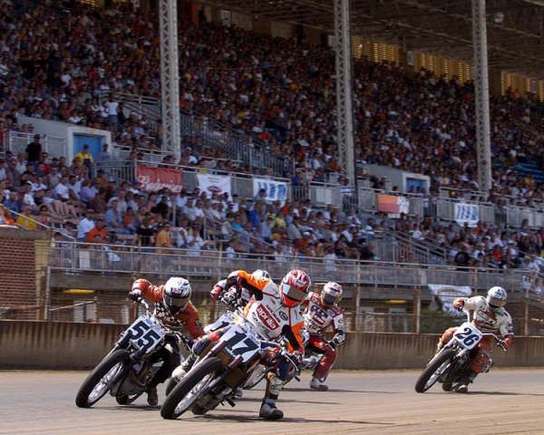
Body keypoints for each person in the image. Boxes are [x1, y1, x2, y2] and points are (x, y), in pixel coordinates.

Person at [128, 277, 204, 406]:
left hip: (170, 335)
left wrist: (195, 342)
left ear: (187, 299)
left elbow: (197, 333)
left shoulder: (191, 313)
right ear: (165, 294)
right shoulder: (159, 292)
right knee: (128, 332)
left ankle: (151, 385)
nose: (174, 303)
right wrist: (137, 290)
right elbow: (144, 284)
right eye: (171, 299)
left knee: (174, 361)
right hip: (150, 324)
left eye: (179, 301)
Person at [436, 286, 514, 393]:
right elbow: (464, 301)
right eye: (493, 300)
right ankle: (438, 355)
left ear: (503, 303)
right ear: (488, 297)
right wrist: (458, 303)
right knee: (449, 332)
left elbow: (508, 333)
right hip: (470, 329)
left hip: (485, 337)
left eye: (498, 301)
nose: (495, 303)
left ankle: (464, 382)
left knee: (483, 354)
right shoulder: (480, 300)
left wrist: (506, 341)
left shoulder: (505, 316)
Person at [302, 281, 346, 391]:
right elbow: (296, 300)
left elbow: (341, 332)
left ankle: (316, 381)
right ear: (322, 293)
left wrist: (333, 342)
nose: (329, 301)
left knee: (331, 353)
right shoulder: (312, 297)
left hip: (314, 336)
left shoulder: (336, 312)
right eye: (328, 297)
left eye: (333, 299)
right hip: (297, 327)